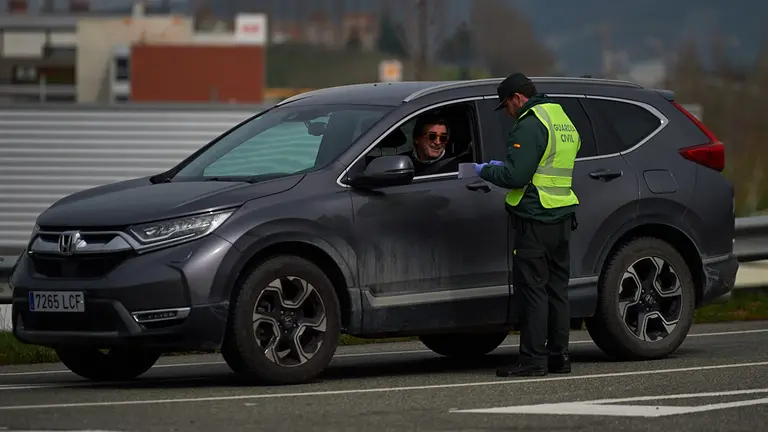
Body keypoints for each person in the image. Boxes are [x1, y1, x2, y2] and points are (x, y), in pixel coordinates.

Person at [475, 72, 580, 377]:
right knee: (557, 290)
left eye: (506, 105)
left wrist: (486, 171)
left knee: (533, 290)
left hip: (535, 217)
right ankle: (559, 357)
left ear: (518, 99)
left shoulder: (531, 122)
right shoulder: (560, 116)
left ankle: (533, 359)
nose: (507, 112)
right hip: (562, 215)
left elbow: (516, 177)